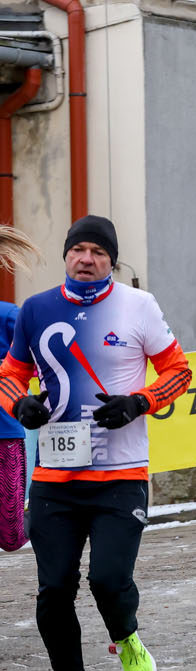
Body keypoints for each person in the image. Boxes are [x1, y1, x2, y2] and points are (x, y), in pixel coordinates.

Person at [0, 215, 192, 671]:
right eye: (78, 249)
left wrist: (138, 402)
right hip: (54, 480)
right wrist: (21, 405)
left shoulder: (138, 305)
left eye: (98, 252)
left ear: (112, 260)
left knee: (108, 580)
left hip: (120, 475)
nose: (87, 259)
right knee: (53, 591)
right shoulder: (36, 309)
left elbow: (179, 371)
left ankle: (125, 635)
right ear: (67, 255)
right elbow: (10, 374)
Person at [0, 226, 39, 553]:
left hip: (4, 436)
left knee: (10, 537)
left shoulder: (9, 316)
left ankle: (49, 513)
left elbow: (43, 362)